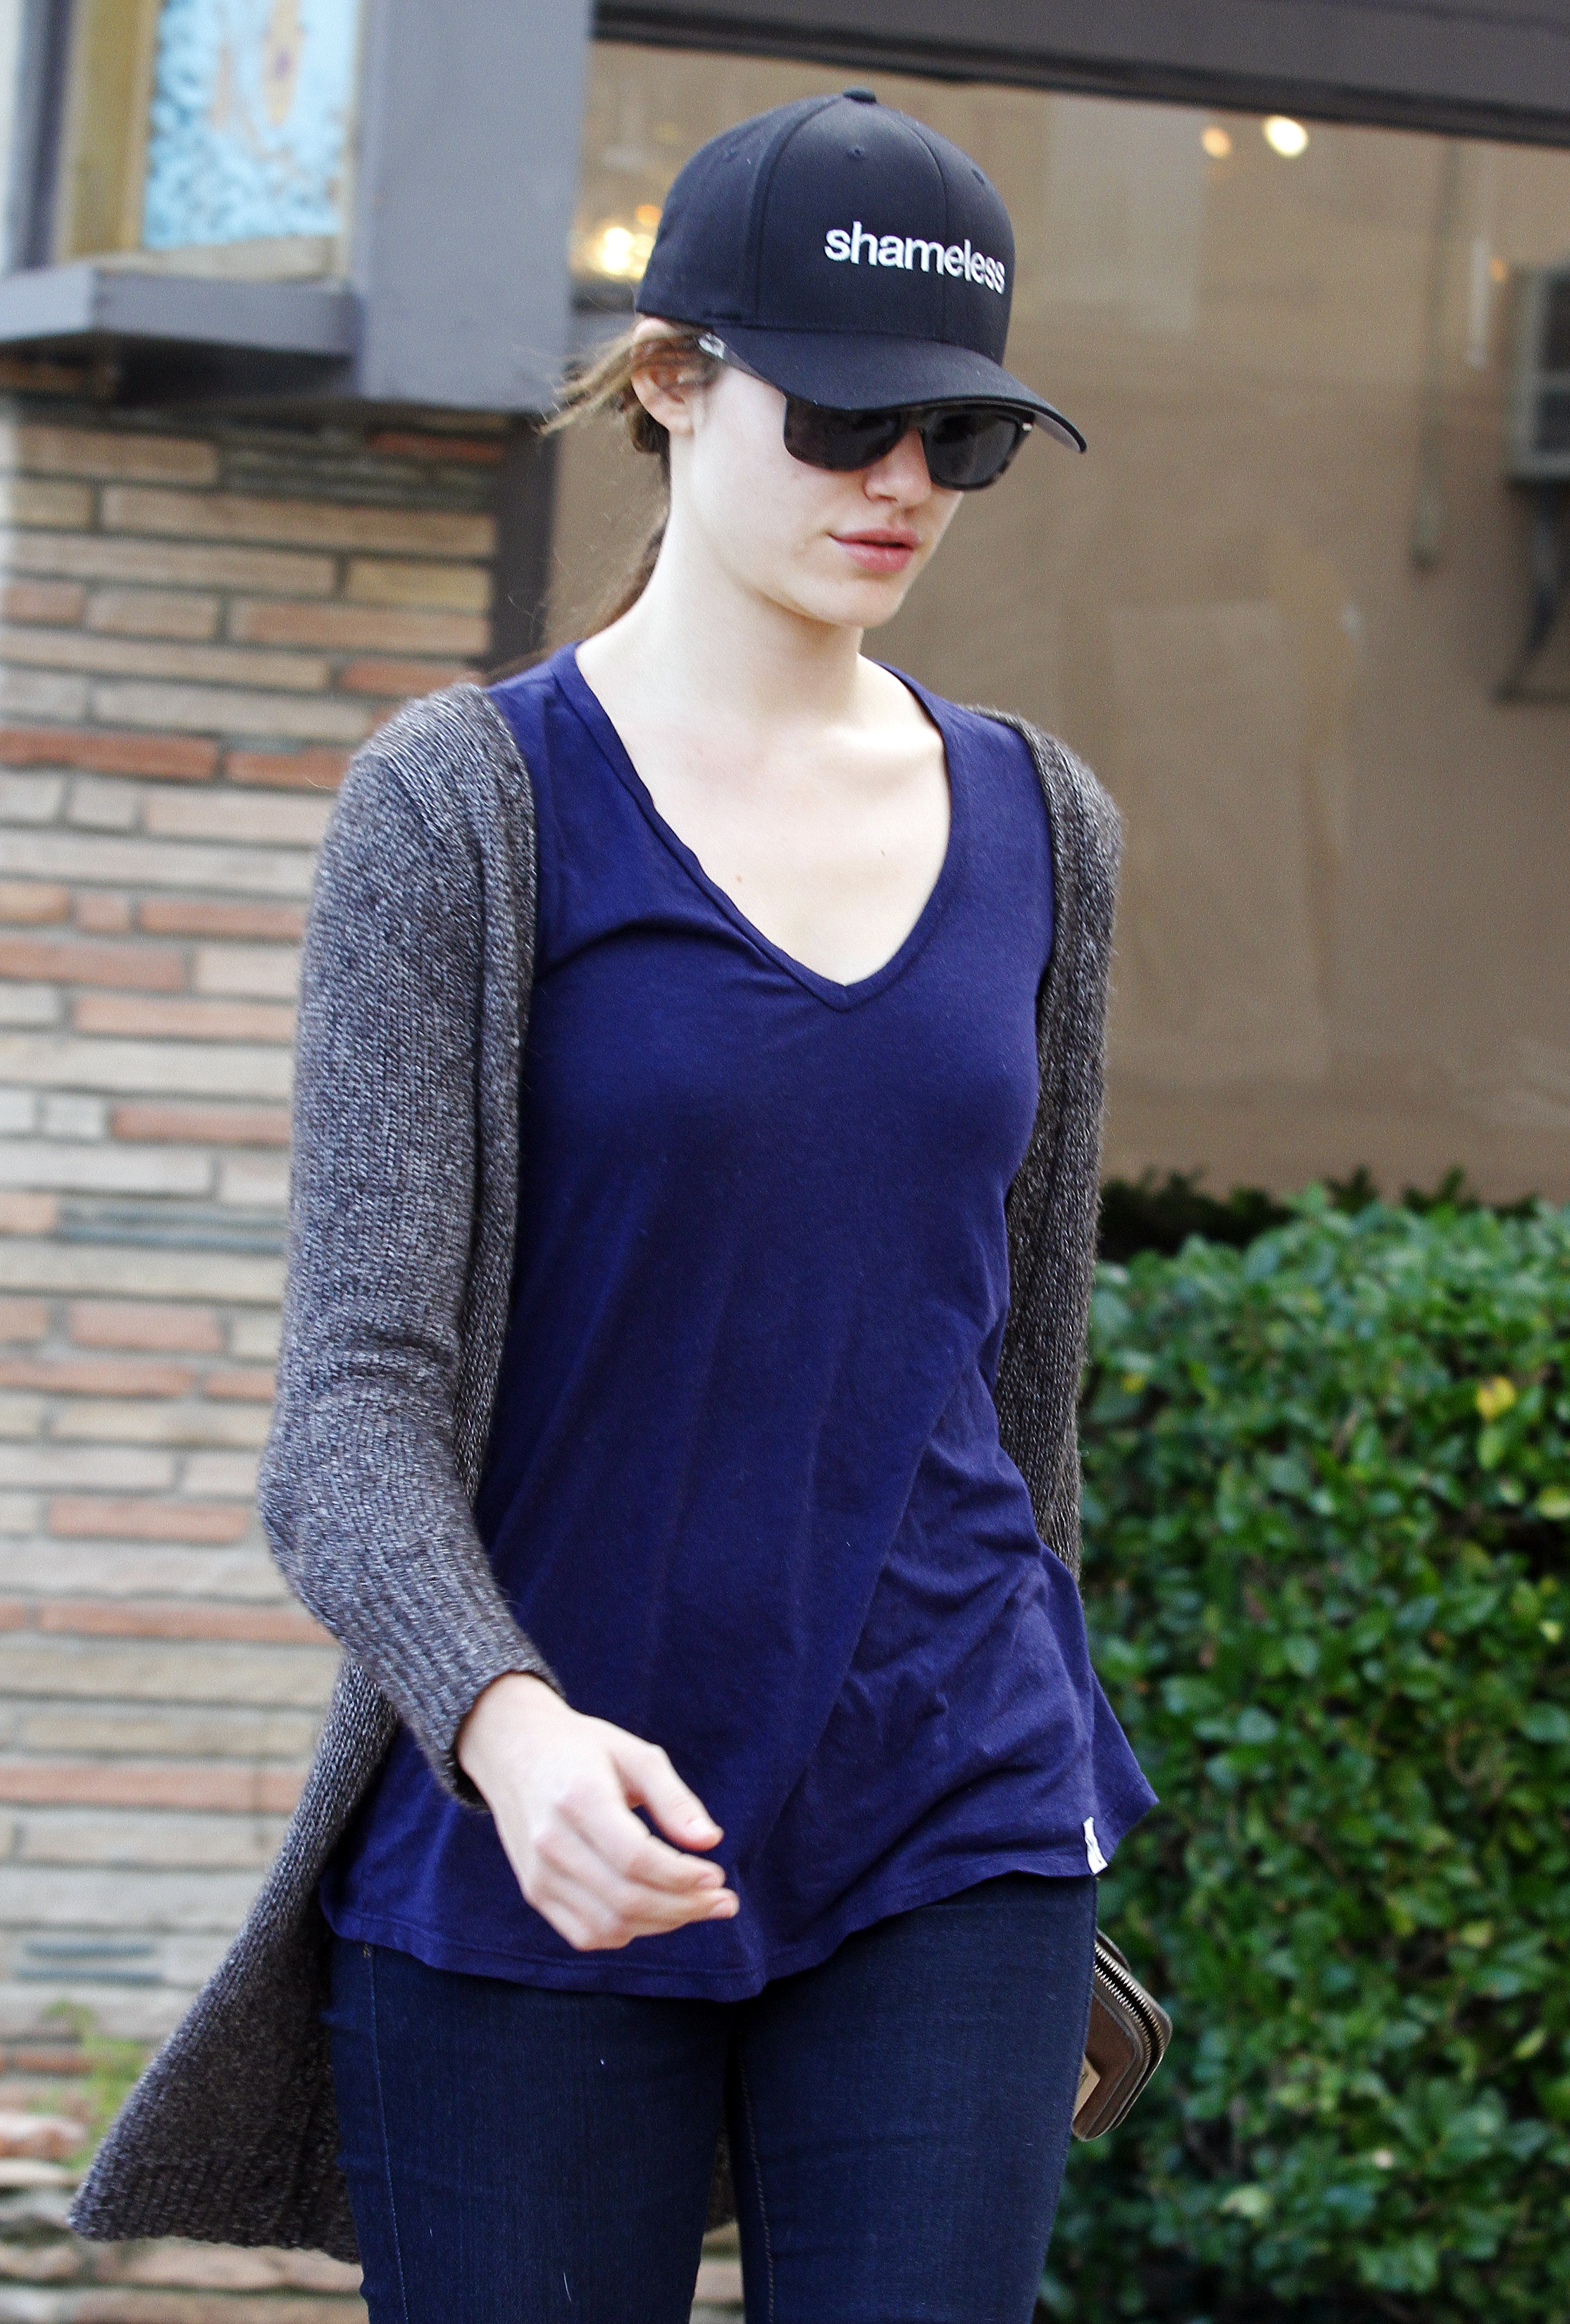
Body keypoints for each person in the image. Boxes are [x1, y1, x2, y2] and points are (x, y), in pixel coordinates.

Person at [68, 89, 1154, 2323]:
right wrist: (505, 1724)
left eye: (958, 436)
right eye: (842, 416)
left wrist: (1042, 1761)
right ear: (669, 379)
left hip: (945, 1803)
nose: (898, 481)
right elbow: (349, 1415)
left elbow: (1023, 1386)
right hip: (543, 1820)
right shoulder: (464, 809)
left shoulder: (1048, 828)